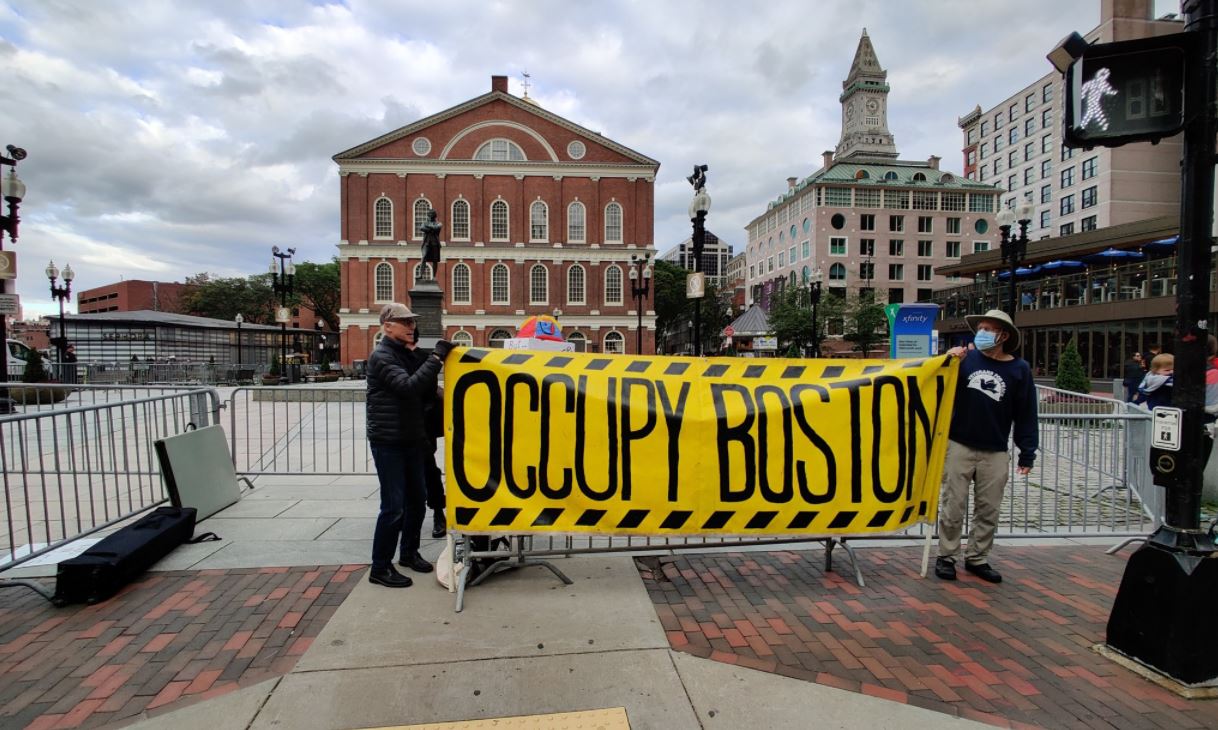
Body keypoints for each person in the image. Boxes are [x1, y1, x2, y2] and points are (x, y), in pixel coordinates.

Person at [936, 309, 1038, 584]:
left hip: (995, 449)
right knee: (953, 504)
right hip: (959, 444)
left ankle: (977, 557)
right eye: (980, 327)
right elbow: (937, 386)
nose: (981, 333)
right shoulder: (966, 361)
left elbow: (1026, 412)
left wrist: (1027, 451)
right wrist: (947, 360)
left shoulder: (1019, 370)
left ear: (1003, 335)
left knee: (989, 508)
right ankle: (946, 556)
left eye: (988, 328)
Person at [366, 302, 453, 588]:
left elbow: (426, 387)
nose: (411, 326)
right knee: (394, 507)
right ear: (387, 325)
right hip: (389, 441)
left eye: (412, 322)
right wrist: (436, 358)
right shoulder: (381, 356)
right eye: (404, 322)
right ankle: (380, 567)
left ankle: (408, 553)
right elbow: (408, 387)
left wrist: (424, 355)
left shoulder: (405, 353)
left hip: (413, 437)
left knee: (417, 502)